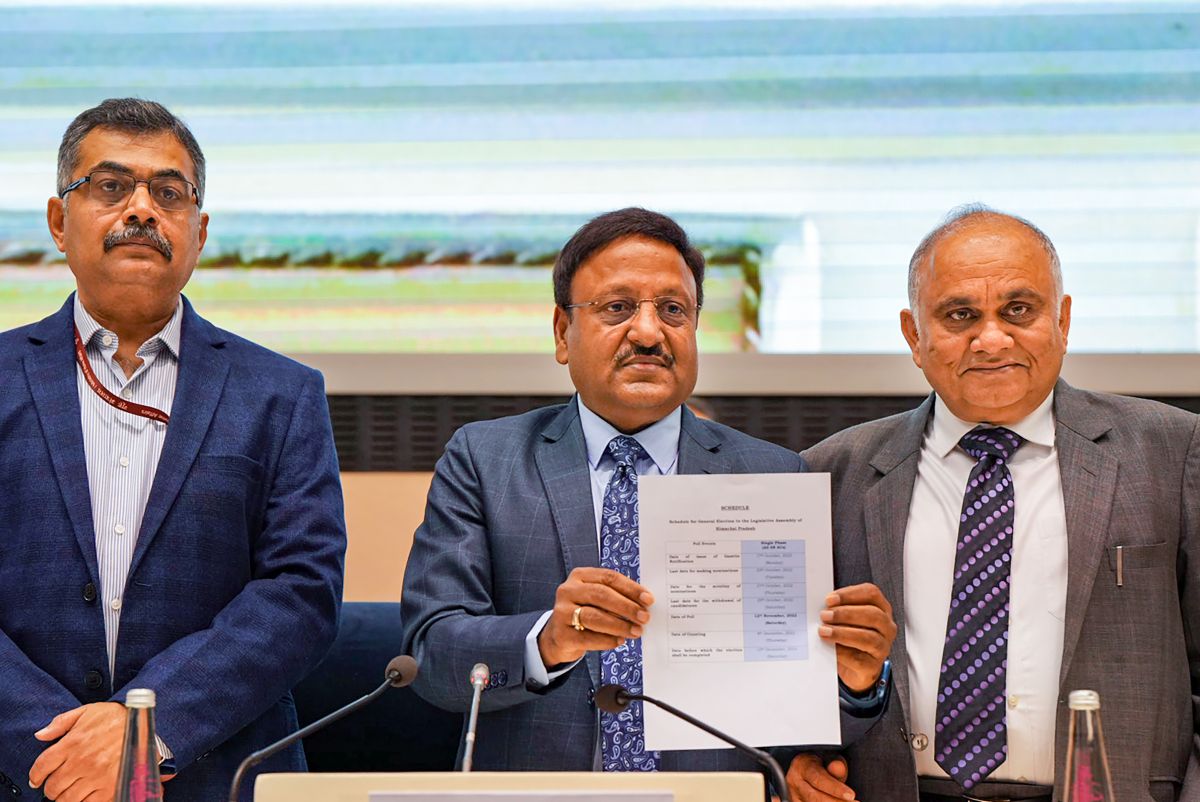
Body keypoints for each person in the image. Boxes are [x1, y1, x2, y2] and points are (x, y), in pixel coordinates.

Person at [401, 207, 897, 779]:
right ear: (563, 333)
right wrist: (549, 639)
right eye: (617, 308)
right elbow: (433, 656)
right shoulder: (485, 461)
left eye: (673, 310)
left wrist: (855, 684)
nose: (648, 332)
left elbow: (798, 710)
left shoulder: (772, 474)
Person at [787, 205, 1199, 802]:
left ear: (1062, 319)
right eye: (959, 315)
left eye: (1019, 311)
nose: (991, 338)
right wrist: (803, 755)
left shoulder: (1173, 451)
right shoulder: (831, 472)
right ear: (913, 336)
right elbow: (795, 676)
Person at [0, 99, 346, 802]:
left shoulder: (282, 394)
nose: (141, 209)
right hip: (24, 777)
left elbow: (301, 592)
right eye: (109, 186)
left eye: (169, 193)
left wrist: (145, 732)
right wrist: (54, 748)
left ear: (199, 230)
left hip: (217, 776)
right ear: (59, 222)